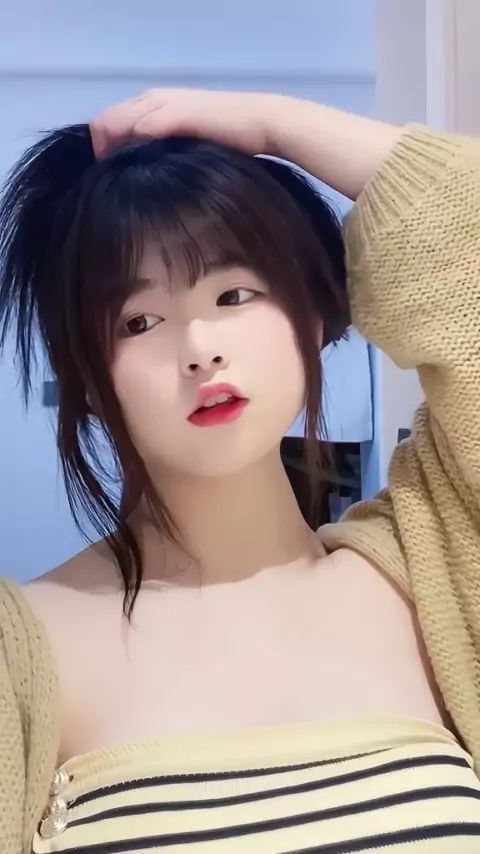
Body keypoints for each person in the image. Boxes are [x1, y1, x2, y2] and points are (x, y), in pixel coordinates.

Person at [1, 89, 480, 852]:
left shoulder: (436, 566)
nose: (200, 348)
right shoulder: (21, 654)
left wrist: (274, 125)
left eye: (234, 293)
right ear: (86, 376)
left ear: (314, 315)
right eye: (139, 321)